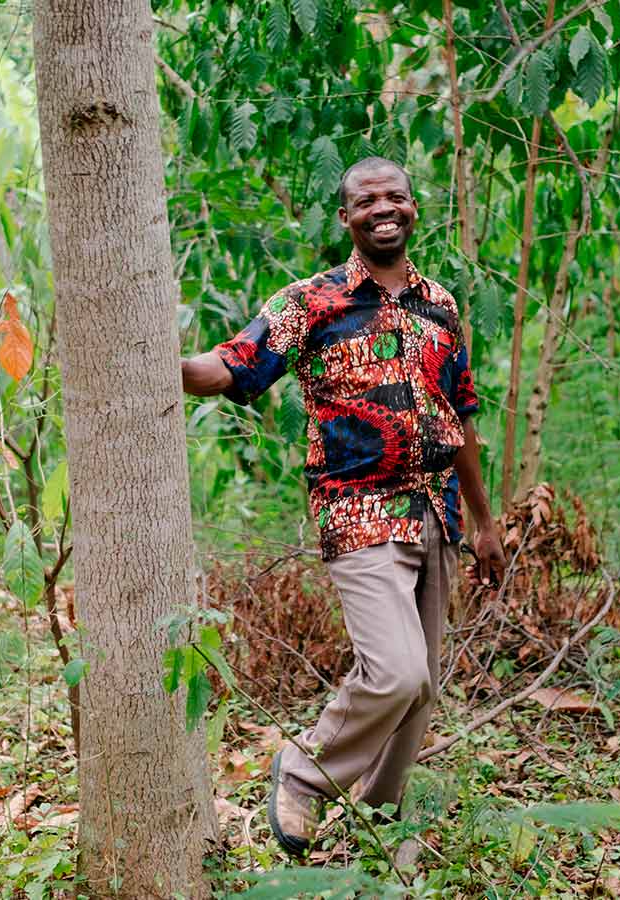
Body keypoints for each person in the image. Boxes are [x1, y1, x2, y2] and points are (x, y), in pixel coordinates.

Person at [179, 156, 506, 856]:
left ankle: (381, 820)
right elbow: (233, 365)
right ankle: (303, 775)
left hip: (435, 512)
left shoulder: (440, 305)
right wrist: (157, 362)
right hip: (358, 510)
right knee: (397, 671)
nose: (383, 209)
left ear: (414, 207)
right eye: (366, 201)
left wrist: (483, 522)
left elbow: (463, 421)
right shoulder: (311, 302)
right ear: (346, 217)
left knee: (420, 690)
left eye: (395, 197)